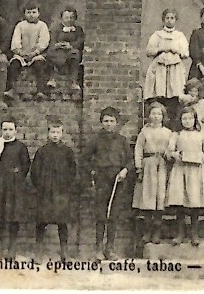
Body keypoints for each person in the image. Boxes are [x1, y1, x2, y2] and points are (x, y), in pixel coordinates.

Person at [83, 107, 132, 261]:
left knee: (113, 215)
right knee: (101, 214)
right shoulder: (95, 140)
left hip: (118, 180)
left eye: (112, 121)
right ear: (102, 122)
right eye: (106, 121)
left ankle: (109, 248)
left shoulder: (122, 141)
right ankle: (98, 248)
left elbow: (131, 160)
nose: (109, 124)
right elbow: (84, 159)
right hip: (102, 179)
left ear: (117, 123)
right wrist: (92, 171)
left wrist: (125, 170)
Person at [30, 117, 78, 263]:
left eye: (58, 132)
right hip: (45, 192)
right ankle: (38, 252)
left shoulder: (67, 152)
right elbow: (35, 171)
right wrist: (40, 185)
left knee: (62, 222)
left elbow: (72, 171)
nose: (55, 135)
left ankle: (64, 252)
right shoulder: (42, 151)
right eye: (52, 132)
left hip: (61, 192)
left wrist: (66, 186)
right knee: (41, 222)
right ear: (48, 133)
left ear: (62, 133)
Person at [165, 107, 204, 247]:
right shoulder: (176, 134)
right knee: (180, 202)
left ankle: (194, 233)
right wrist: (174, 154)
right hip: (180, 169)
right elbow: (169, 151)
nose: (187, 121)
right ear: (180, 120)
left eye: (190, 118)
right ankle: (180, 233)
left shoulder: (201, 134)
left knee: (194, 201)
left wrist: (203, 156)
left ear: (195, 119)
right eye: (184, 118)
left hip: (196, 171)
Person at [0, 118, 31, 260]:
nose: (7, 132)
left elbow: (26, 165)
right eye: (5, 129)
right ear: (1, 131)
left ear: (15, 131)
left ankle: (12, 246)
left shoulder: (21, 147)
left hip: (14, 187)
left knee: (13, 216)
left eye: (10, 129)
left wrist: (16, 177)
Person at [133, 102, 172, 246]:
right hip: (148, 165)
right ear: (149, 116)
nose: (156, 117)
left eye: (159, 114)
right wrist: (139, 167)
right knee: (148, 198)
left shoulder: (168, 133)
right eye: (153, 114)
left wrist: (169, 156)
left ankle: (157, 232)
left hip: (162, 164)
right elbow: (138, 150)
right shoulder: (144, 132)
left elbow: (171, 148)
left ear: (163, 116)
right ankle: (147, 232)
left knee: (160, 198)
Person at [143, 9, 190, 119]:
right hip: (160, 68)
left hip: (175, 68)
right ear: (163, 20)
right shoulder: (157, 35)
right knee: (160, 93)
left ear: (175, 20)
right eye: (167, 18)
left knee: (174, 95)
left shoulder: (180, 36)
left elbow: (186, 53)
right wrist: (161, 49)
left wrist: (176, 50)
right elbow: (149, 51)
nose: (169, 21)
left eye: (172, 18)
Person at [6, 4, 50, 102]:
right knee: (13, 65)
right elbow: (15, 41)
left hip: (36, 54)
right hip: (21, 54)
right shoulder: (20, 25)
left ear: (39, 13)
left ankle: (40, 91)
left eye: (34, 12)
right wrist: (20, 52)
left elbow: (44, 41)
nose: (31, 15)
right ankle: (11, 89)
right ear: (24, 14)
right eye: (28, 12)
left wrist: (35, 52)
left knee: (40, 66)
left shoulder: (42, 25)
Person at [46, 8, 85, 96]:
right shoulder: (56, 28)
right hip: (58, 50)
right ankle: (53, 79)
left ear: (75, 18)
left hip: (71, 51)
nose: (69, 20)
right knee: (53, 55)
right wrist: (58, 45)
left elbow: (80, 40)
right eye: (66, 17)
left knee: (75, 54)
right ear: (62, 18)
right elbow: (52, 40)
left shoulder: (78, 29)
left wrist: (71, 45)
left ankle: (73, 81)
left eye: (72, 17)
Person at [179, 78, 204, 144]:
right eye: (190, 91)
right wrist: (189, 100)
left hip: (202, 124)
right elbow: (181, 99)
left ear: (199, 92)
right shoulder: (185, 102)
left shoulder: (202, 102)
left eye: (195, 91)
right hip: (189, 124)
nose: (193, 93)